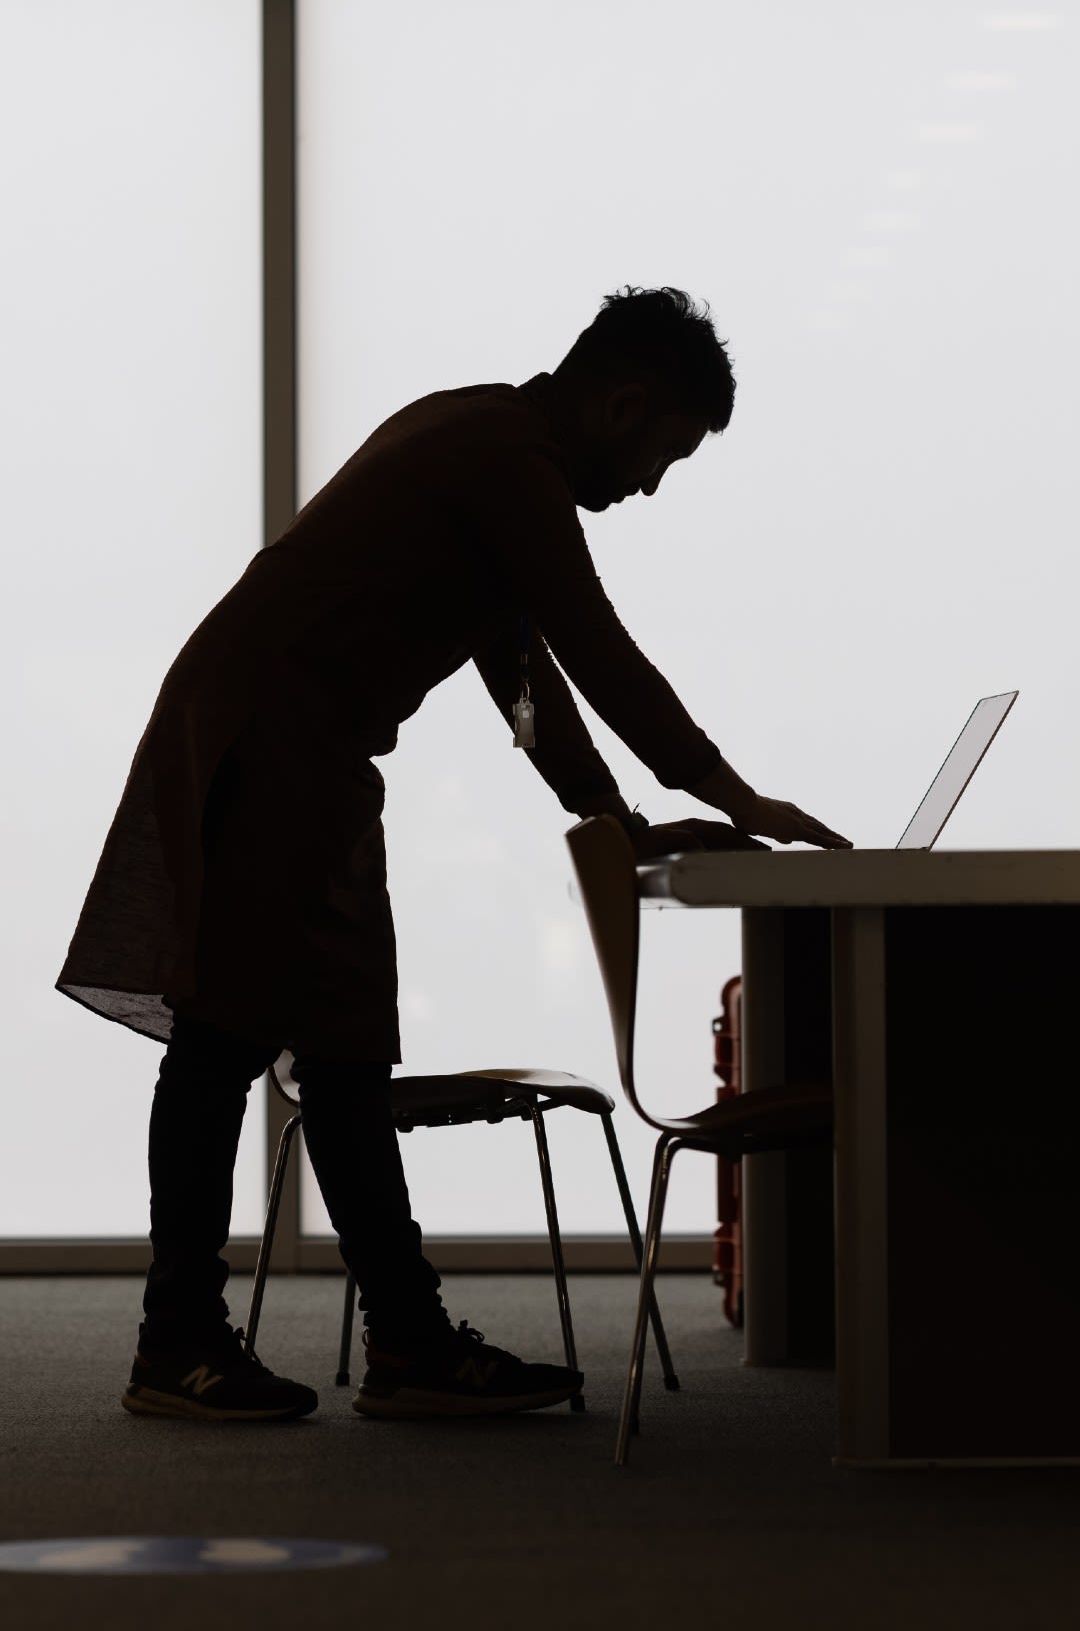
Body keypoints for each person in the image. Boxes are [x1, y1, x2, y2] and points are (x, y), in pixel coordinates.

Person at [56, 284, 850, 1425]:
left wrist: (615, 816)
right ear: (624, 404)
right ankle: (177, 1342)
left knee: (338, 1054)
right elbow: (597, 653)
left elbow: (520, 669)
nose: (651, 488)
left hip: (309, 755)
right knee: (223, 1038)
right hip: (267, 740)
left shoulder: (485, 441)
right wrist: (735, 792)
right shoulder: (502, 461)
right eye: (664, 455)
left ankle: (407, 1341)